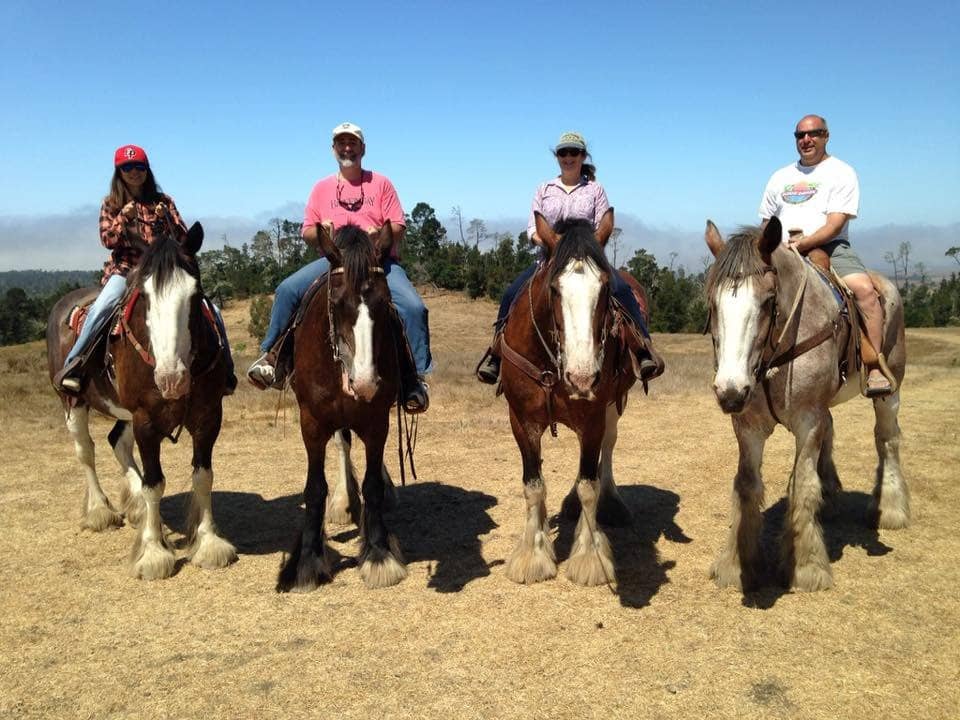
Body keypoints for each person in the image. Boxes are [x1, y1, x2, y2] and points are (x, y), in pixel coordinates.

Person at [247, 122, 431, 413]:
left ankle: (414, 379)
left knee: (413, 307)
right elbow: (307, 232)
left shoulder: (381, 183)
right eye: (342, 143)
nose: (348, 148)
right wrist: (322, 230)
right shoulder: (321, 188)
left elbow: (398, 225)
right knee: (287, 289)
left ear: (363, 149)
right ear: (334, 150)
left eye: (353, 143)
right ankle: (273, 357)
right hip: (334, 263)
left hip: (377, 263)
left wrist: (377, 233)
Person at [476, 131, 663, 384]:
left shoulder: (595, 190)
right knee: (512, 293)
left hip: (589, 260)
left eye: (574, 152)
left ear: (583, 156)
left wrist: (588, 245)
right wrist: (550, 242)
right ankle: (496, 354)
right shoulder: (544, 189)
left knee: (622, 289)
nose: (568, 157)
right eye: (563, 152)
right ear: (557, 157)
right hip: (551, 259)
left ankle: (642, 348)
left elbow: (601, 225)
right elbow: (533, 227)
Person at [54, 145, 237, 395]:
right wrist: (123, 219)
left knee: (211, 309)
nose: (133, 172)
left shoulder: (163, 202)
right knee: (104, 306)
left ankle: (225, 369)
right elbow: (107, 240)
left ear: (147, 170)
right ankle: (75, 364)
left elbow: (183, 241)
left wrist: (168, 220)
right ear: (119, 172)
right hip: (127, 270)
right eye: (127, 167)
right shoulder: (111, 204)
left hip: (164, 272)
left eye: (139, 166)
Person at [759, 114, 891, 396]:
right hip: (781, 252)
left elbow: (835, 224)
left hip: (830, 248)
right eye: (800, 135)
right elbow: (766, 223)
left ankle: (874, 365)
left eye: (814, 133)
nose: (806, 140)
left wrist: (804, 244)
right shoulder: (780, 177)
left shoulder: (841, 172)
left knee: (865, 291)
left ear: (826, 136)